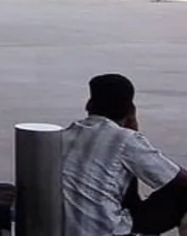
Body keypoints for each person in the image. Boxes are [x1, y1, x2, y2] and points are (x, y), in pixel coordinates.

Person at [61, 73, 187, 236]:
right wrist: (133, 130)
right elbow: (179, 180)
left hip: (60, 229)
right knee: (182, 193)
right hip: (107, 231)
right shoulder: (124, 139)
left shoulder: (63, 135)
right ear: (130, 109)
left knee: (122, 173)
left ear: (89, 105)